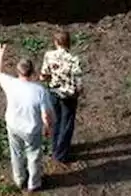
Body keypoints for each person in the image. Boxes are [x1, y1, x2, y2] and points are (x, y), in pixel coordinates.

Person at [0, 42, 54, 192]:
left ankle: (19, 179)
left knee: (16, 153)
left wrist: (0, 55)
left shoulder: (10, 83)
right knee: (34, 156)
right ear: (33, 72)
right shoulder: (40, 91)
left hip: (13, 126)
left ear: (18, 71)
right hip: (32, 129)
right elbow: (46, 114)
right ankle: (34, 183)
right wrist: (47, 127)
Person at [39, 30, 83, 164]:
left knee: (56, 121)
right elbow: (79, 81)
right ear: (69, 42)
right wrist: (78, 92)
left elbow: (43, 75)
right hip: (69, 95)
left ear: (56, 42)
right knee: (67, 123)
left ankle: (55, 147)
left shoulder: (49, 55)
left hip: (54, 92)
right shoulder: (74, 59)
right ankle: (62, 154)